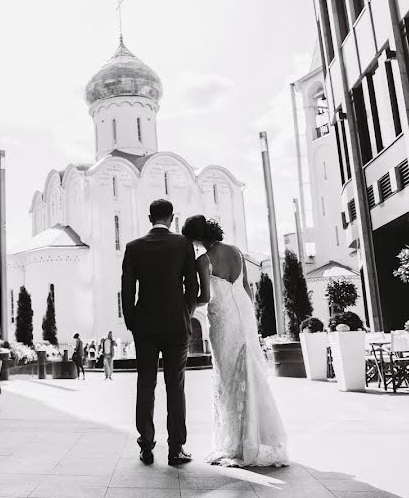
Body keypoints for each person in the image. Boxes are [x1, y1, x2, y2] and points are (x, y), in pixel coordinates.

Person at [182, 214, 288, 467]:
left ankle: (237, 442)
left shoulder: (203, 260)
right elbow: (248, 290)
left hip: (223, 318)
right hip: (245, 314)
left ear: (197, 239)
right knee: (252, 372)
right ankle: (259, 436)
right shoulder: (237, 251)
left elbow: (206, 297)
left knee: (229, 378)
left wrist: (184, 304)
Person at [121, 199, 197, 466]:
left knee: (146, 385)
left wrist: (132, 322)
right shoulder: (183, 244)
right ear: (172, 217)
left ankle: (146, 446)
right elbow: (193, 288)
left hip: (145, 326)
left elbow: (127, 290)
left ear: (149, 217)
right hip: (176, 325)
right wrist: (186, 314)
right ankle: (176, 449)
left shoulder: (133, 247)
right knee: (175, 387)